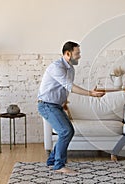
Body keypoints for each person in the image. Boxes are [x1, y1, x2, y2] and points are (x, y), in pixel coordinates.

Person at [38, 41, 105, 173]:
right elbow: (70, 87)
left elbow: (64, 88)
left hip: (56, 105)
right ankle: (59, 165)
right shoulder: (56, 67)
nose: (79, 56)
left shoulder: (71, 69)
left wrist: (64, 103)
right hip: (46, 105)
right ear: (68, 54)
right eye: (77, 53)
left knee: (69, 131)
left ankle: (52, 160)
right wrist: (90, 93)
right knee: (65, 131)